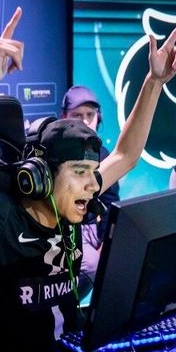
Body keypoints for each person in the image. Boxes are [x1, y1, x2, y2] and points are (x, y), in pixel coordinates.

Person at [0, 6, 176, 352]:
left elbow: (126, 155)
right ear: (41, 177)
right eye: (79, 172)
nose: (93, 185)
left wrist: (154, 81)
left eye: (92, 172)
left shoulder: (68, 204)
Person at [59, 85, 120, 290]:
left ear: (98, 117)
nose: (85, 121)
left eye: (90, 115)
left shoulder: (104, 154)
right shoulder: (53, 151)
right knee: (91, 264)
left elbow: (111, 203)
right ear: (65, 117)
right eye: (78, 115)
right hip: (60, 229)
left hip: (91, 228)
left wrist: (105, 242)